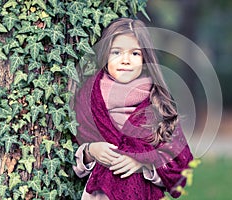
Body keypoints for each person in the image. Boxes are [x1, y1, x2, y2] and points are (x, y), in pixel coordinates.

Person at [73, 18, 193, 200]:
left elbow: (179, 165)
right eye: (116, 52)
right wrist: (91, 151)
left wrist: (142, 163)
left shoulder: (157, 102)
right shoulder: (88, 99)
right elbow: (74, 160)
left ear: (145, 58)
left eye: (135, 54)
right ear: (105, 55)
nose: (126, 60)